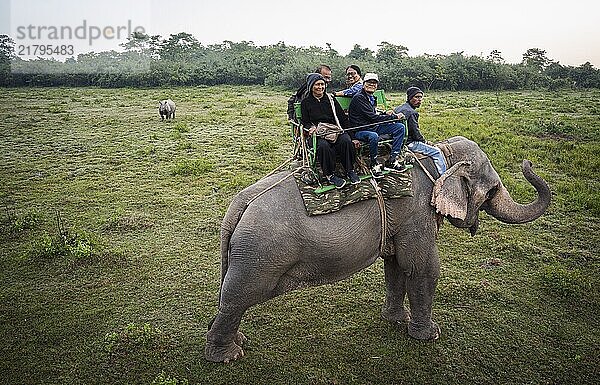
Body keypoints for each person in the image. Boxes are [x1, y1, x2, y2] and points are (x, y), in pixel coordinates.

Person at [300, 73, 360, 188]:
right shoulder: (305, 103)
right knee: (323, 146)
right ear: (311, 86)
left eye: (322, 84)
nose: (320, 87)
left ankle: (350, 170)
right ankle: (330, 175)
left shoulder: (331, 99)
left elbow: (342, 118)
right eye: (317, 84)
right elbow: (305, 121)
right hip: (319, 134)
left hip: (333, 130)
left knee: (346, 140)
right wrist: (311, 128)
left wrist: (353, 137)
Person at [348, 73, 407, 178]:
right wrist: (394, 117)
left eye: (374, 83)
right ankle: (373, 163)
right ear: (363, 84)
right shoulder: (359, 98)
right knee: (373, 136)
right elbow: (372, 117)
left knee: (400, 127)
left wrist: (385, 114)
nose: (372, 85)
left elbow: (374, 114)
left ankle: (393, 159)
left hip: (373, 126)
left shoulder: (371, 97)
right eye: (369, 82)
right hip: (361, 129)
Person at [394, 86, 447, 176]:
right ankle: (444, 176)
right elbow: (415, 133)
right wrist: (424, 141)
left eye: (420, 97)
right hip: (409, 143)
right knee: (437, 152)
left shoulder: (398, 108)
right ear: (410, 98)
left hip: (396, 140)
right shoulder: (412, 113)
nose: (419, 100)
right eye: (416, 97)